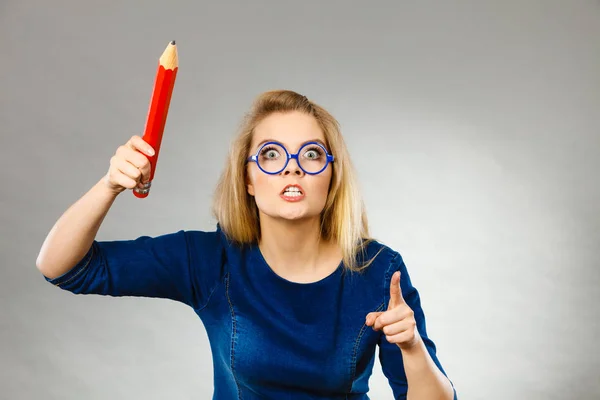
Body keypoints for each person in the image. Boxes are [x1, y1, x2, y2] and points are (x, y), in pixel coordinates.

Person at [36, 90, 457, 399]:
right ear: (248, 180)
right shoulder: (210, 261)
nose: (293, 169)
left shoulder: (379, 271)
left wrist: (411, 346)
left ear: (331, 178)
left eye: (311, 155)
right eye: (271, 155)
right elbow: (63, 267)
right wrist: (109, 184)